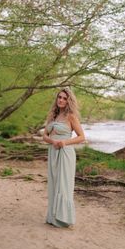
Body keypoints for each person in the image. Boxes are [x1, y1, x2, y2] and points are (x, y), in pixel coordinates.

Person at [43, 88, 85, 228]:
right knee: (54, 184)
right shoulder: (52, 116)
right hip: (53, 152)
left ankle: (63, 219)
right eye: (59, 97)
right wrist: (53, 142)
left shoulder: (71, 116)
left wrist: (64, 142)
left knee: (63, 184)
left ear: (69, 101)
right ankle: (52, 217)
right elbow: (45, 136)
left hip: (65, 153)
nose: (61, 100)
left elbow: (81, 137)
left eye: (64, 98)